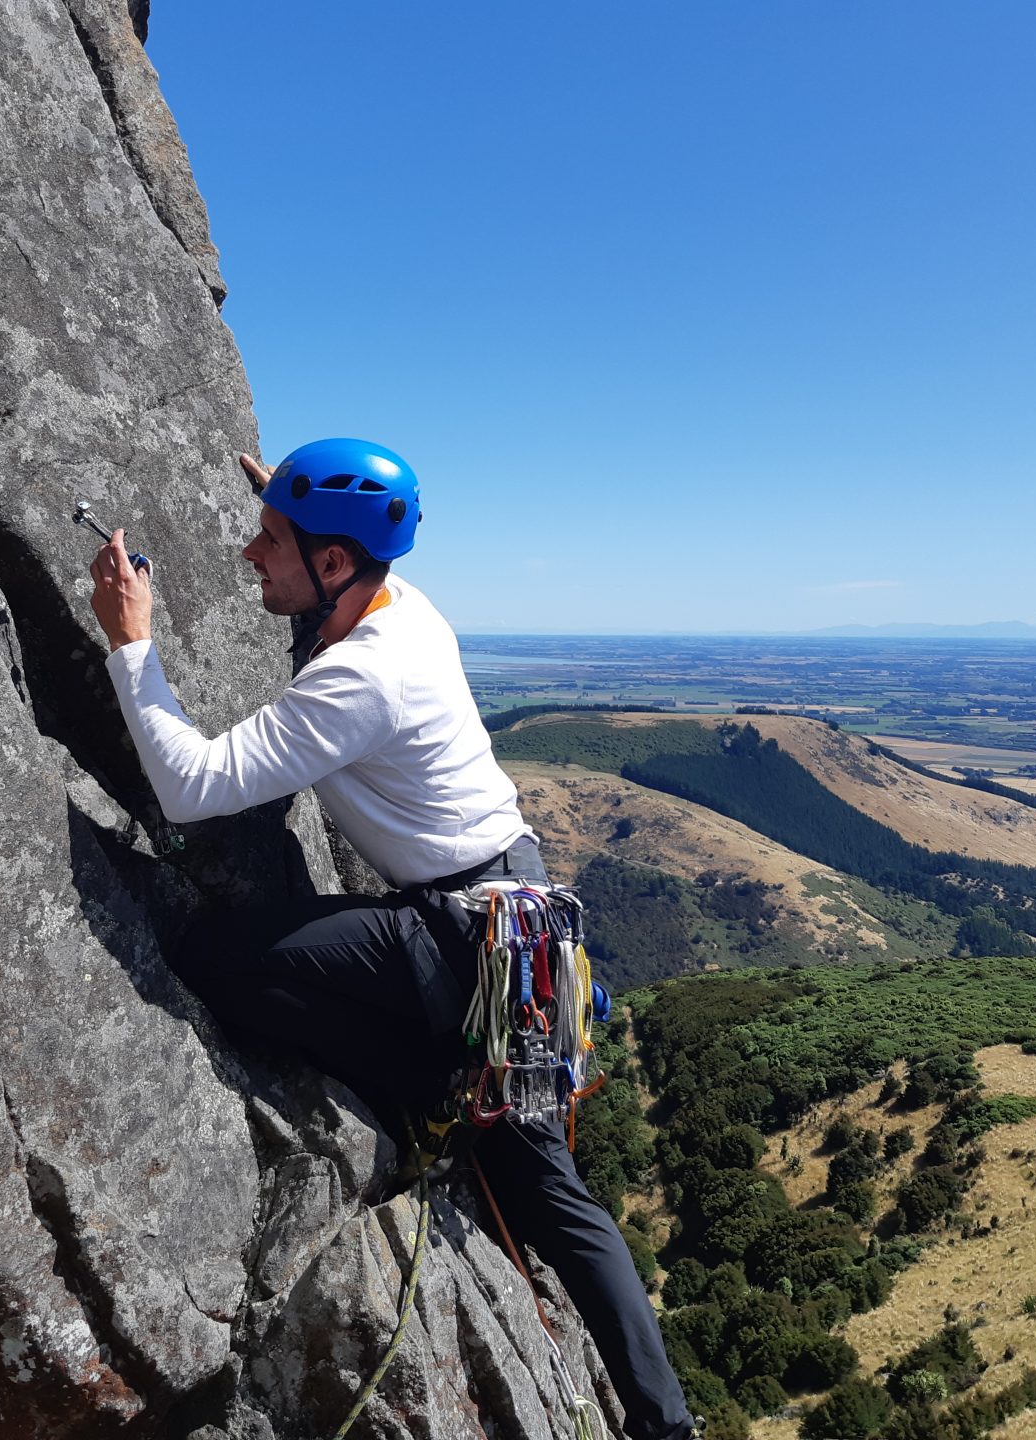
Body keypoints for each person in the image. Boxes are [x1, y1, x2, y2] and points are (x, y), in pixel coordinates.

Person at [86, 438, 694, 1440]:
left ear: (334, 565)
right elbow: (320, 601)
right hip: (503, 910)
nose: (248, 554)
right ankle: (440, 1087)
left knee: (538, 1185)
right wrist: (292, 501)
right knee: (537, 1176)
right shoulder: (396, 606)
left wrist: (130, 643)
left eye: (269, 539)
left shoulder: (363, 676)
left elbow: (190, 787)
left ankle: (664, 1427)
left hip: (465, 937)